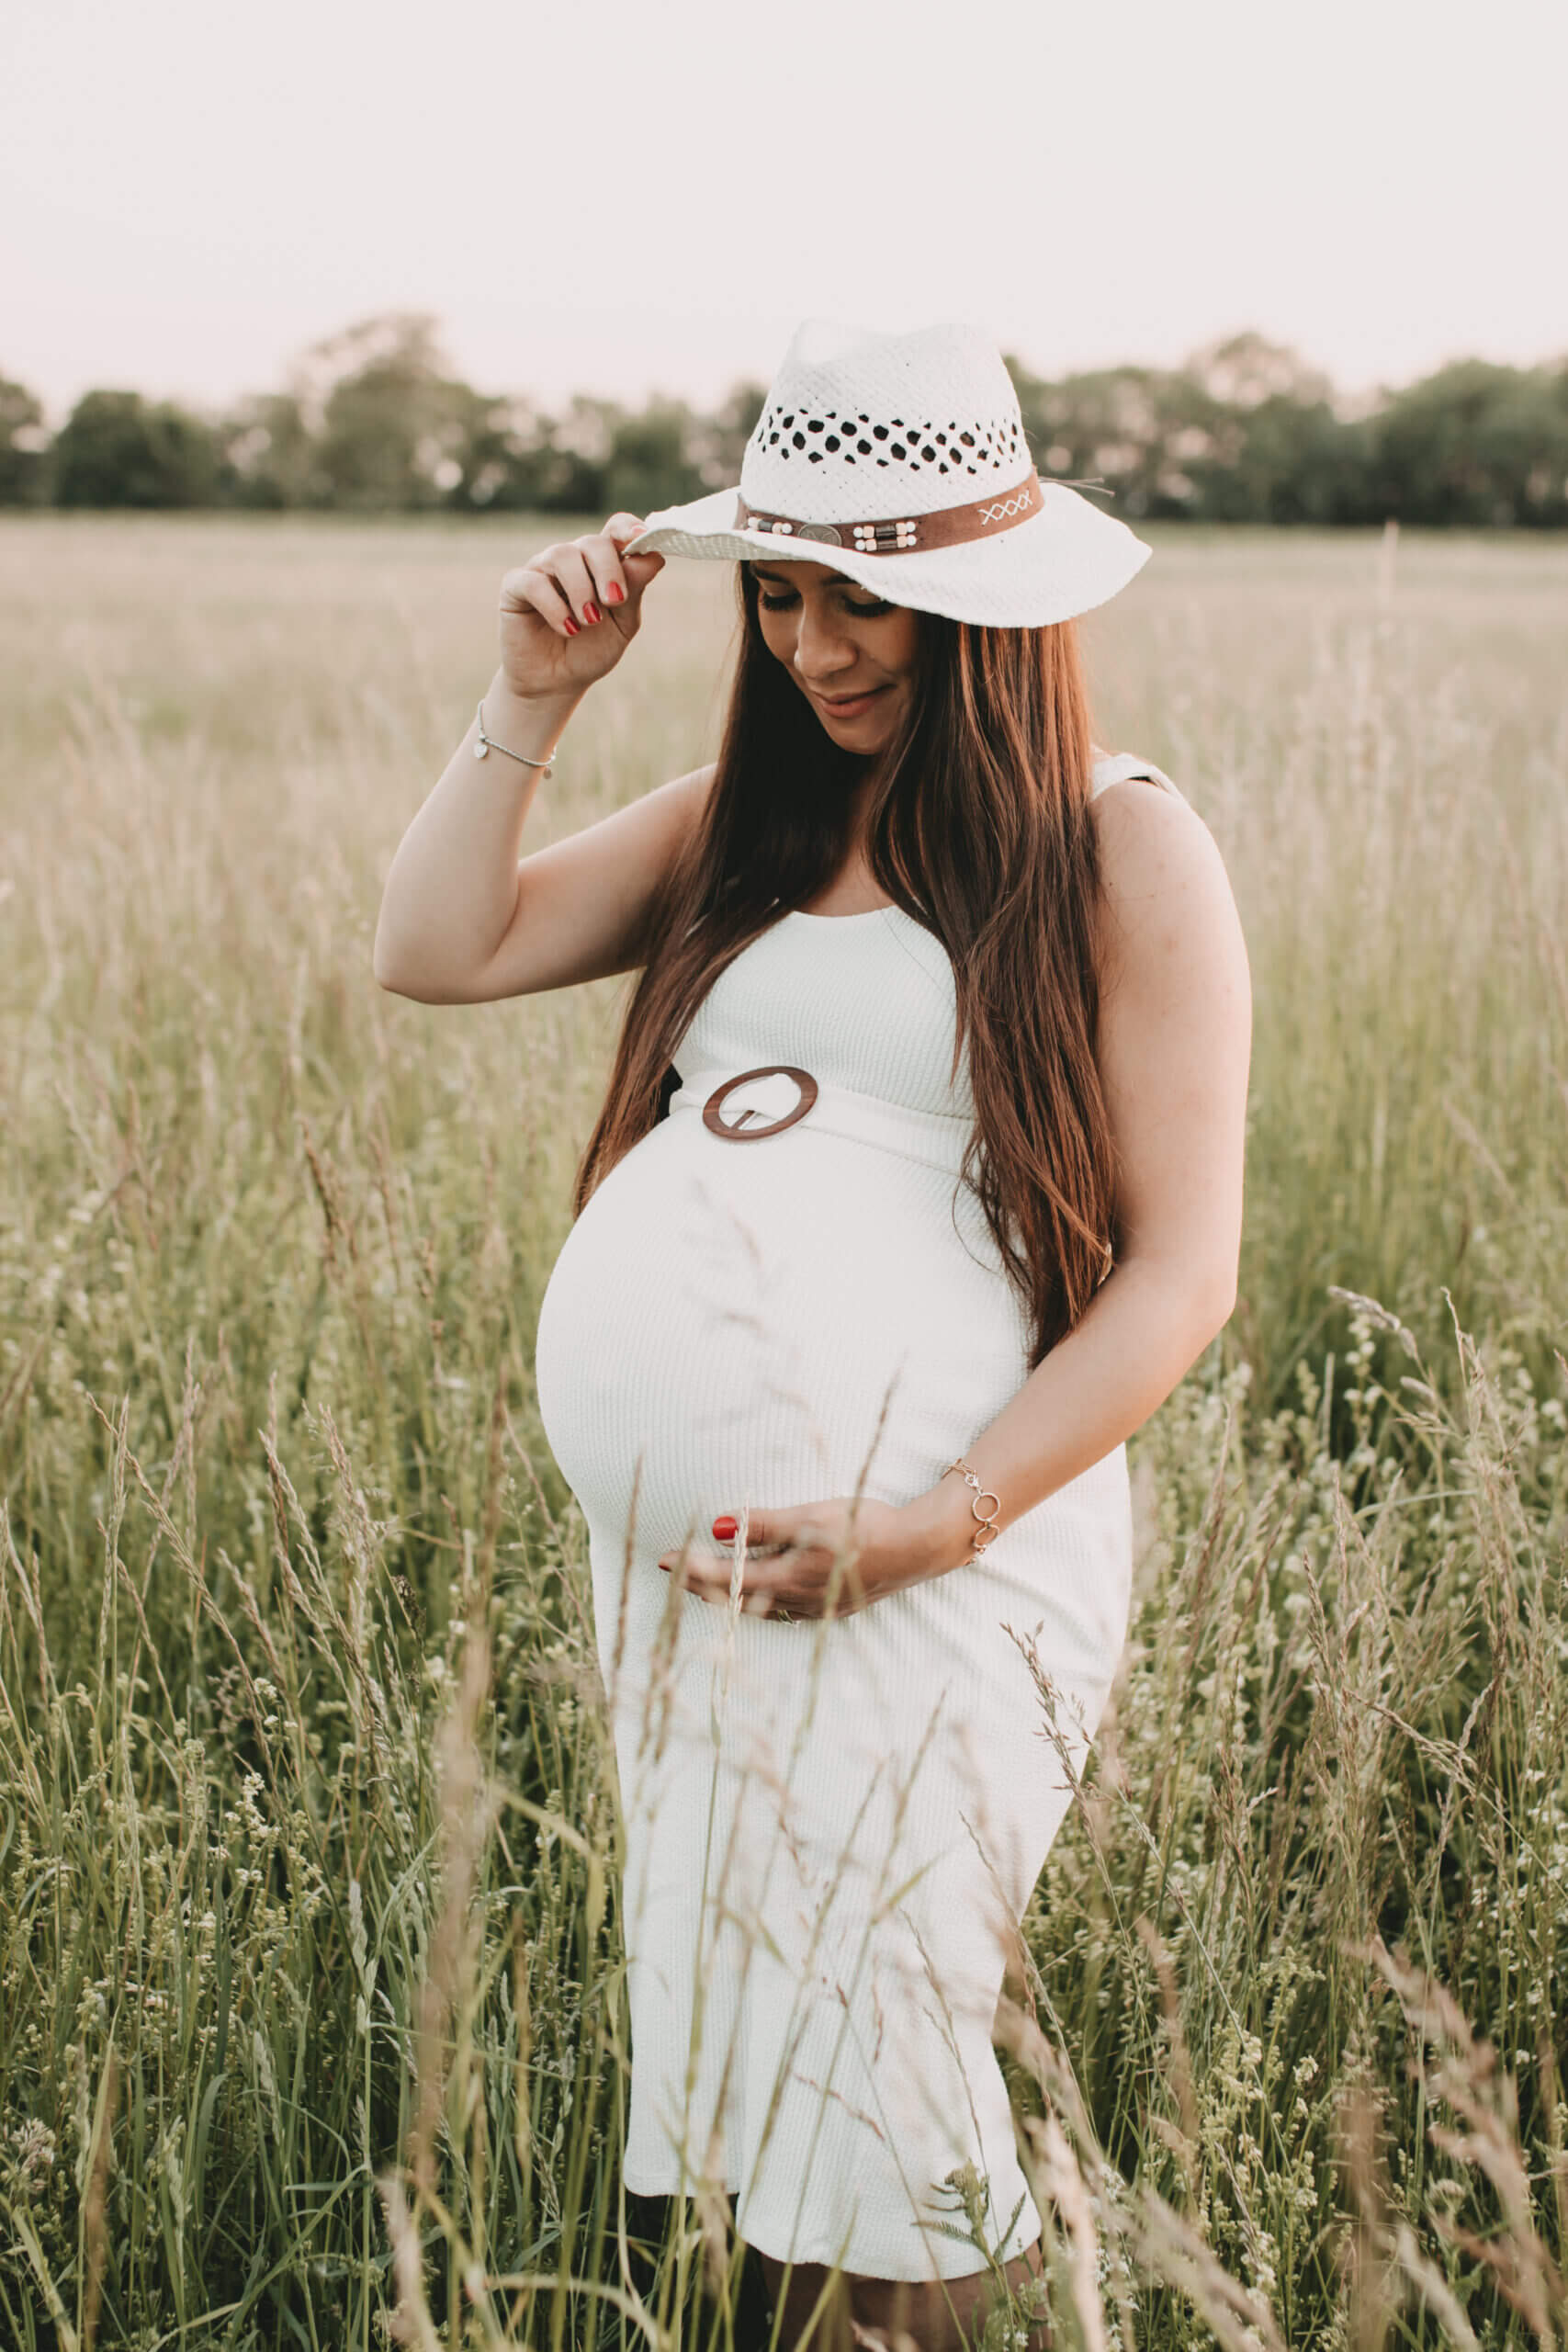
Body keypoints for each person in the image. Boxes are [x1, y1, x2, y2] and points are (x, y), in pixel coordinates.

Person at [373, 319, 1252, 2351]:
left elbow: (1180, 1272)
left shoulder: (1117, 843)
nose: (816, 643)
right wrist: (527, 699)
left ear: (980, 610)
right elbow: (435, 947)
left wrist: (934, 1520)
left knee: (885, 2061)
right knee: (750, 2064)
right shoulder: (738, 820)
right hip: (698, 1582)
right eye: (777, 591)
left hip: (944, 1551)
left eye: (868, 594)